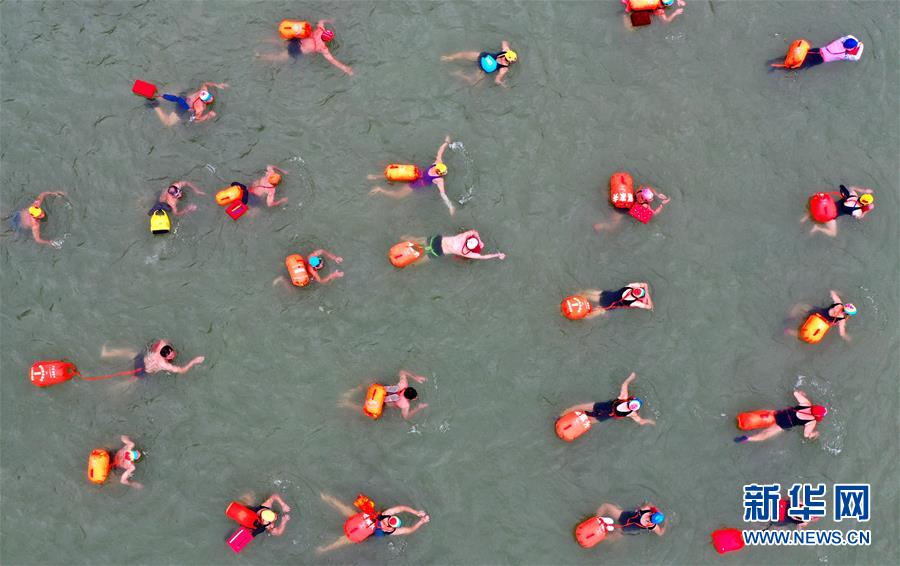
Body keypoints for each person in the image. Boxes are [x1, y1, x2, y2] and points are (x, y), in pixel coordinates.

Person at [316, 493, 430, 553]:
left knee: (342, 537)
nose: (388, 519)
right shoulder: (389, 523)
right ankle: (323, 549)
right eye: (389, 519)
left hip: (366, 525)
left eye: (389, 521)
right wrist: (419, 517)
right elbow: (404, 516)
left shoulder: (388, 522)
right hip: (366, 525)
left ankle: (324, 549)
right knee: (342, 537)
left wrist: (419, 517)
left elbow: (405, 521)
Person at [369, 136, 456, 215]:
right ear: (440, 173)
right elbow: (443, 194)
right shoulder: (439, 180)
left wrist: (446, 142)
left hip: (415, 174)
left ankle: (375, 177)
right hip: (415, 184)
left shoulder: (436, 163)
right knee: (398, 196)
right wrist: (450, 206)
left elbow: (440, 152)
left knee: (398, 175)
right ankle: (380, 190)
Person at [259, 20, 353, 75]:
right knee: (279, 57)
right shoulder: (322, 48)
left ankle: (263, 40)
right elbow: (332, 60)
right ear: (328, 40)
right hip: (297, 50)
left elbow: (321, 21)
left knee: (280, 42)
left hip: (296, 41)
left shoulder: (320, 30)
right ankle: (261, 57)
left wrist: (329, 20)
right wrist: (344, 68)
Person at [561, 372, 656, 427]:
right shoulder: (632, 413)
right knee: (588, 421)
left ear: (630, 400)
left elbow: (624, 384)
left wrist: (631, 377)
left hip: (601, 406)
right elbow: (640, 421)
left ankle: (561, 415)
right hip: (604, 416)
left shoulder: (623, 397)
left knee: (577, 407)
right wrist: (650, 421)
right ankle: (573, 426)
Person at [735, 390, 827, 444]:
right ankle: (748, 438)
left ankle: (750, 417)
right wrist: (814, 434)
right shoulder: (812, 422)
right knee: (764, 435)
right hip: (783, 424)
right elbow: (806, 435)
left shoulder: (806, 404)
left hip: (780, 414)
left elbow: (795, 393)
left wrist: (802, 393)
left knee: (765, 414)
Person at [341, 370, 429, 419]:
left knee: (369, 383)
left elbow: (402, 372)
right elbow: (406, 417)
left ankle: (353, 391)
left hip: (379, 391)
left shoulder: (403, 384)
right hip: (383, 402)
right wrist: (418, 408)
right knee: (369, 411)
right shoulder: (405, 404)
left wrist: (416, 377)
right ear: (409, 399)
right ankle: (347, 404)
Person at [101, 340, 205, 377]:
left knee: (130, 352)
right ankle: (114, 390)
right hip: (143, 370)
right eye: (170, 355)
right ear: (165, 357)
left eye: (171, 352)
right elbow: (181, 370)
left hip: (141, 359)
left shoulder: (161, 344)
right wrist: (194, 361)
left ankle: (106, 354)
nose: (172, 354)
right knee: (130, 383)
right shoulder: (164, 364)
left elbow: (156, 344)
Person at [786, 290, 856, 342]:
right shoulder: (842, 319)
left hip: (818, 314)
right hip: (820, 322)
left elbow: (832, 292)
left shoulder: (838, 304)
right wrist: (847, 337)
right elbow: (842, 333)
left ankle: (791, 318)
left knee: (800, 306)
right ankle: (790, 330)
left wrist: (838, 293)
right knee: (807, 336)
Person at [594, 186, 671, 232]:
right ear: (645, 199)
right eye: (650, 199)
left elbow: (648, 188)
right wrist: (661, 205)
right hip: (623, 210)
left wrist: (657, 194)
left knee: (611, 198)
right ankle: (601, 226)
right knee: (612, 226)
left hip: (624, 200)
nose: (652, 199)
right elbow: (653, 213)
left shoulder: (639, 191)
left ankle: (603, 193)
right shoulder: (645, 205)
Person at [441, 41, 518, 86]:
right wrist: (502, 83)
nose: (503, 59)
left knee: (474, 83)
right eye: (505, 57)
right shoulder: (504, 66)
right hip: (482, 62)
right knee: (464, 55)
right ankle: (453, 62)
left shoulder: (505, 55)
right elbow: (497, 80)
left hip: (482, 63)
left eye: (506, 59)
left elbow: (504, 42)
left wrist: (500, 82)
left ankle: (455, 67)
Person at [808, 185, 875, 237]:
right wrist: (867, 209)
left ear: (862, 196)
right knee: (833, 233)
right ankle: (817, 228)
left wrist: (863, 190)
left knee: (812, 212)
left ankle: (809, 214)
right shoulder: (857, 211)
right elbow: (859, 217)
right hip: (831, 216)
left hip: (828, 205)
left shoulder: (852, 195)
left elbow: (851, 187)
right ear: (866, 204)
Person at [151, 82, 227, 126]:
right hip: (182, 108)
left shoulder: (202, 91)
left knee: (173, 97)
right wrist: (208, 115)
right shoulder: (200, 108)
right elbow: (196, 120)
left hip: (183, 97)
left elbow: (205, 83)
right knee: (168, 122)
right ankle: (155, 105)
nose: (211, 98)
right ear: (205, 102)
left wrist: (218, 85)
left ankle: (156, 95)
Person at [770, 35, 863, 70]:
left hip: (817, 51)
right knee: (798, 65)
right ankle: (777, 67)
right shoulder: (843, 55)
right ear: (850, 49)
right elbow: (857, 57)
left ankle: (774, 60)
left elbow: (850, 36)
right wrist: (861, 45)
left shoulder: (840, 40)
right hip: (819, 59)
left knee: (797, 55)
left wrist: (857, 42)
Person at [407, 229, 506, 261]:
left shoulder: (463, 236)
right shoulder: (466, 252)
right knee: (419, 260)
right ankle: (412, 263)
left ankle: (404, 238)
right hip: (438, 252)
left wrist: (479, 240)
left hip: (437, 240)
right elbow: (482, 257)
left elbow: (474, 231)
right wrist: (498, 255)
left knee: (416, 240)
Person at [577, 283, 653, 318]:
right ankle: (581, 315)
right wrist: (647, 295)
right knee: (595, 313)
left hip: (608, 294)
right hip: (608, 305)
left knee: (593, 294)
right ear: (638, 297)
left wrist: (645, 289)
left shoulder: (630, 286)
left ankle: (579, 294)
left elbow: (644, 284)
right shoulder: (634, 302)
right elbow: (649, 306)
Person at [594, 502, 666, 537]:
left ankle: (595, 520)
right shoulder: (652, 526)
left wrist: (643, 506)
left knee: (606, 506)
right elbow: (660, 533)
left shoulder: (646, 509)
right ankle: (601, 536)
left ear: (653, 513)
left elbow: (646, 505)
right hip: (626, 527)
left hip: (624, 516)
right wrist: (666, 523)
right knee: (616, 535)